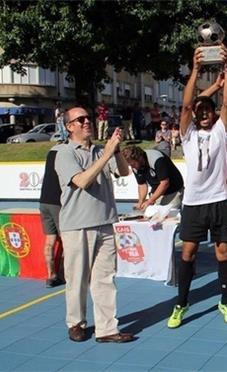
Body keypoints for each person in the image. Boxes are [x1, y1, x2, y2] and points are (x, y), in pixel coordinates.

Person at [167, 45, 227, 328]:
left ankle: (224, 300)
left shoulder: (222, 129)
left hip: (218, 200)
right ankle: (181, 303)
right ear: (195, 116)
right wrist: (195, 70)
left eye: (209, 110)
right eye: (201, 111)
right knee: (188, 253)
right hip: (194, 203)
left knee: (223, 252)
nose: (205, 113)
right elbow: (186, 105)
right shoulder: (188, 133)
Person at [55, 107, 134, 343]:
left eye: (88, 117)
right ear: (70, 127)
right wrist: (106, 154)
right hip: (78, 225)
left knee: (105, 279)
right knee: (77, 279)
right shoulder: (64, 152)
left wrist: (115, 150)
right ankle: (76, 323)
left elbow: (123, 171)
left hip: (106, 221)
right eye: (80, 119)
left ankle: (107, 328)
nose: (87, 121)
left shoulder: (101, 150)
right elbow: (82, 181)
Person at [121, 145, 184, 211]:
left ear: (140, 158)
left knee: (170, 215)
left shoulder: (157, 159)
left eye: (133, 164)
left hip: (173, 191)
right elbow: (142, 184)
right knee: (152, 216)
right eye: (130, 165)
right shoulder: (134, 165)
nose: (132, 167)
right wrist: (140, 202)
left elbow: (165, 183)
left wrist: (150, 201)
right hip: (157, 191)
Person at [39, 144, 65, 288]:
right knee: (67, 240)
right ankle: (63, 274)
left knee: (50, 241)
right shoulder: (66, 155)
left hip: (44, 200)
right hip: (57, 201)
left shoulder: (51, 153)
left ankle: (50, 275)